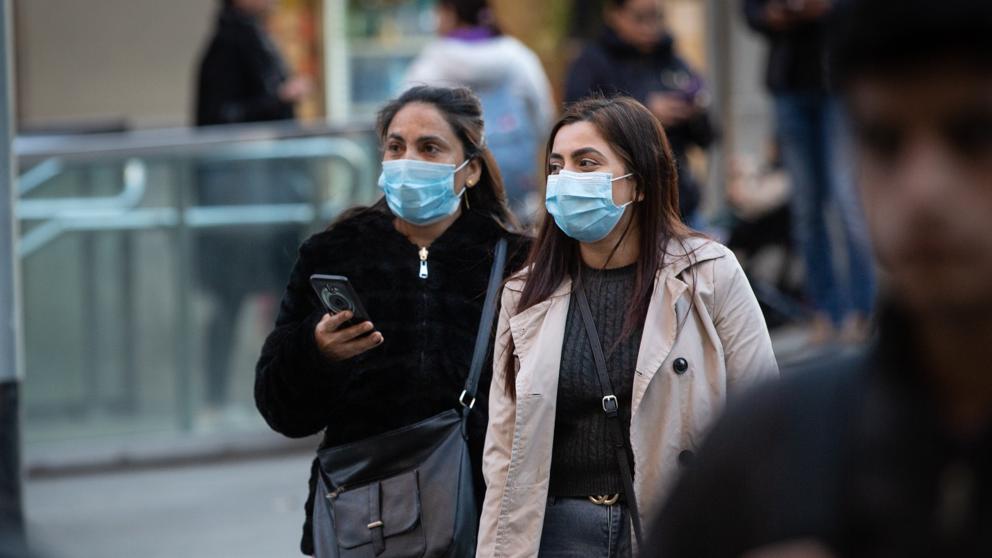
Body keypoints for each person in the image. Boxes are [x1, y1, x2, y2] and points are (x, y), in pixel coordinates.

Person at [648, 1, 992, 555]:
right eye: (885, 141)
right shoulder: (768, 449)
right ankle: (832, 314)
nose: (925, 190)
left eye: (973, 135)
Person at [477, 96, 778, 557]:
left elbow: (763, 413)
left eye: (587, 162)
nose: (565, 179)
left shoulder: (709, 273)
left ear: (638, 183)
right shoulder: (525, 291)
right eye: (557, 166)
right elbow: (503, 445)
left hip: (676, 524)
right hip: (558, 531)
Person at [255, 86, 530, 556]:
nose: (409, 160)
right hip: (365, 518)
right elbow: (281, 410)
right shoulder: (335, 252)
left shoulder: (518, 262)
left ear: (471, 169)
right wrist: (316, 352)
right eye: (396, 146)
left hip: (486, 518)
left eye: (430, 147)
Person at [194, 0, 313, 414]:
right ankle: (216, 401)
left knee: (281, 297)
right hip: (242, 204)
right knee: (233, 298)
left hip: (267, 197)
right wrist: (279, 98)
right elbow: (218, 119)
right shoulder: (229, 43)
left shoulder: (254, 36)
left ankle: (275, 394)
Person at [744, 0, 874, 344]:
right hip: (789, 87)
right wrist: (774, 13)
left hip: (840, 84)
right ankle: (824, 311)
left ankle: (862, 311)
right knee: (805, 210)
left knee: (848, 201)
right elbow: (749, 12)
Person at [564, 0, 716, 223]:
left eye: (656, 17)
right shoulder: (592, 64)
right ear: (615, 15)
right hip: (617, 206)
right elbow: (575, 128)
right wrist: (643, 113)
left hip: (678, 202)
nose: (649, 27)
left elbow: (708, 136)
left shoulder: (673, 62)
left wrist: (693, 111)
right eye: (640, 18)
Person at [404, 0, 555, 221]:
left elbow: (406, 121)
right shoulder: (519, 57)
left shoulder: (430, 64)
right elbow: (545, 117)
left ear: (450, 13)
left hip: (450, 198)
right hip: (516, 196)